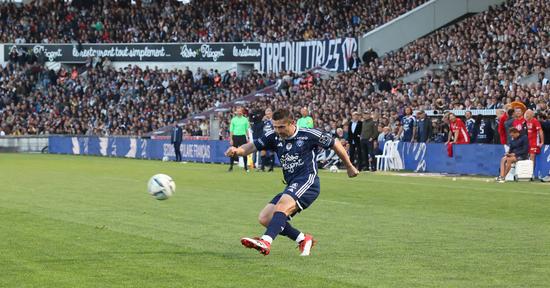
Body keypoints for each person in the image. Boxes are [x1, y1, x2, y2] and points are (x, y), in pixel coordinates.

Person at [225, 109, 359, 256]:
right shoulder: (274, 136)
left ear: (292, 123)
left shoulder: (309, 135)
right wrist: (238, 151)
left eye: (281, 127)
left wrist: (349, 166)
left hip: (308, 181)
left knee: (282, 206)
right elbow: (252, 146)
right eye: (275, 127)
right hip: (292, 184)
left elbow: (335, 143)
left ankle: (266, 241)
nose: (278, 130)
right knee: (265, 218)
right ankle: (302, 239)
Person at [228, 107, 250, 172]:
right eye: (237, 111)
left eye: (240, 111)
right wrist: (231, 139)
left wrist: (248, 137)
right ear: (236, 112)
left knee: (244, 152)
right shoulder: (233, 120)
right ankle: (231, 166)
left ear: (242, 112)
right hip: (235, 137)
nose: (239, 112)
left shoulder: (245, 119)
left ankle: (245, 167)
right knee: (232, 152)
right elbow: (231, 130)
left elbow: (247, 129)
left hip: (242, 137)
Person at [260, 108, 275, 172]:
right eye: (266, 114)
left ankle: (271, 168)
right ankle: (262, 167)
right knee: (263, 152)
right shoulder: (264, 120)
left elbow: (275, 128)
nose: (267, 115)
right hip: (264, 138)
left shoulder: (273, 120)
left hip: (271, 138)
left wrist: (271, 122)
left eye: (269, 114)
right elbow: (260, 128)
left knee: (271, 152)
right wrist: (262, 121)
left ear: (271, 114)